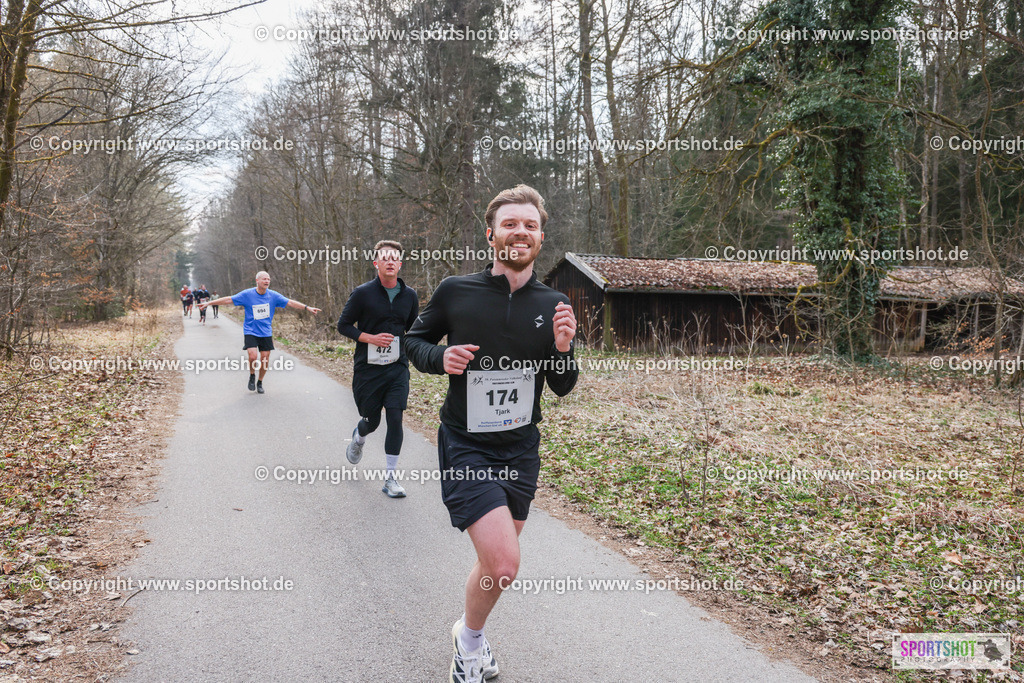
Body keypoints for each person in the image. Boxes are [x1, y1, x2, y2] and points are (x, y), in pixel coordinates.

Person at [405, 185, 578, 683]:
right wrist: (441, 358)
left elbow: (563, 386)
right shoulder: (456, 291)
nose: (518, 232)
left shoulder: (553, 301)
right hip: (466, 443)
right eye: (509, 224)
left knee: (493, 563)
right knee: (503, 564)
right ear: (491, 234)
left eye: (528, 225)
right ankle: (469, 645)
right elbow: (414, 341)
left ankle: (468, 632)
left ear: (540, 237)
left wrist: (562, 348)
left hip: (522, 448)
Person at [336, 240, 419, 498]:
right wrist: (369, 338)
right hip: (368, 369)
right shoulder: (363, 293)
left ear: (400, 263)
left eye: (395, 258)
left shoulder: (410, 296)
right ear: (376, 263)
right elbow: (344, 325)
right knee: (372, 421)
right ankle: (359, 436)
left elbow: (415, 330)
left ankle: (390, 479)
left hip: (397, 368)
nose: (390, 262)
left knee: (395, 417)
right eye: (385, 258)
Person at [200, 272, 321, 394]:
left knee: (265, 358)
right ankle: (252, 375)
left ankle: (260, 381)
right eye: (264, 279)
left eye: (268, 279)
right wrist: (209, 303)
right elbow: (228, 299)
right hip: (250, 330)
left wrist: (307, 307)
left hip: (266, 332)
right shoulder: (247, 294)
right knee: (253, 356)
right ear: (257, 280)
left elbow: (290, 302)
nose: (267, 281)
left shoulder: (273, 295)